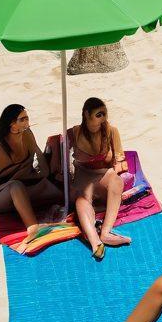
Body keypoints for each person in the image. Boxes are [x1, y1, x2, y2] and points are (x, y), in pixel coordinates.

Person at [0, 104, 63, 250]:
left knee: (59, 192)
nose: (27, 122)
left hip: (26, 189)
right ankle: (33, 227)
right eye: (23, 119)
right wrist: (12, 182)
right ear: (12, 125)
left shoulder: (27, 135)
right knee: (16, 187)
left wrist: (41, 174)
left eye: (27, 118)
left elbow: (40, 161)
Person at [68, 97, 131, 261]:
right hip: (83, 175)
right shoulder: (73, 133)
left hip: (104, 174)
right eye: (99, 115)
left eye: (105, 114)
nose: (103, 118)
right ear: (86, 114)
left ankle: (105, 232)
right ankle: (95, 241)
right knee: (82, 201)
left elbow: (120, 161)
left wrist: (117, 166)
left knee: (117, 181)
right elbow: (60, 159)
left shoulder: (111, 131)